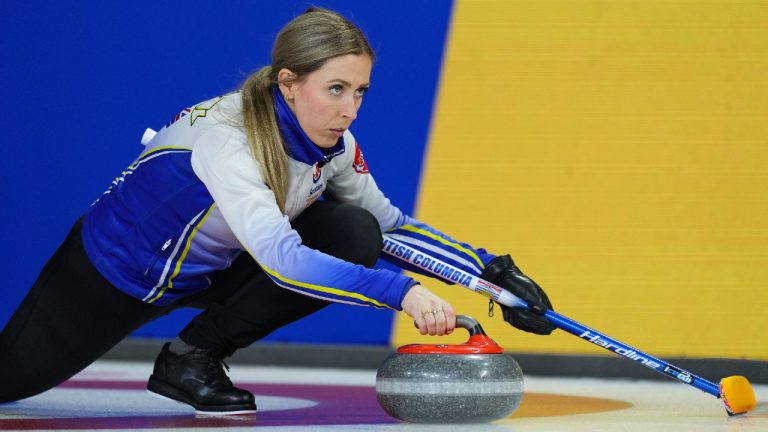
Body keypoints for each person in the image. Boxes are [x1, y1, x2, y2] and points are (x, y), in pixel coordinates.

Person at [0, 7, 554, 414]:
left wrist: (491, 276)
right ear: (289, 82)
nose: (349, 109)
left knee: (351, 229)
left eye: (360, 91)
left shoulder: (335, 145)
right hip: (115, 274)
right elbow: (284, 259)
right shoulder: (229, 142)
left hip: (217, 266)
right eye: (335, 88)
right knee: (10, 382)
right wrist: (401, 292)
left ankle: (191, 358)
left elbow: (389, 229)